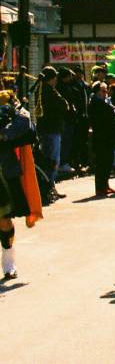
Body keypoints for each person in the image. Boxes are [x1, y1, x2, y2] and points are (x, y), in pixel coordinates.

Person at [0, 90, 43, 280]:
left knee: (3, 220)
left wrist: (3, 134)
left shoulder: (7, 101)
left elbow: (24, 121)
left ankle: (8, 262)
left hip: (3, 169)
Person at [34, 66, 70, 200]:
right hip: (52, 129)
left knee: (46, 159)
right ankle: (49, 187)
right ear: (52, 79)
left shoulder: (40, 90)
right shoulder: (50, 91)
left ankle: (49, 186)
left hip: (44, 128)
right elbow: (64, 104)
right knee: (53, 160)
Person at [87, 81, 115, 197]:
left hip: (107, 137)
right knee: (102, 163)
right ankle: (100, 188)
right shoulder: (96, 103)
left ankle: (105, 185)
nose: (106, 93)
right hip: (101, 137)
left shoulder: (103, 102)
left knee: (108, 161)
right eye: (103, 90)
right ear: (97, 92)